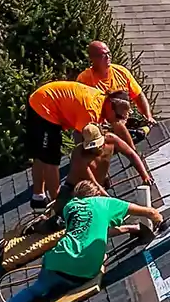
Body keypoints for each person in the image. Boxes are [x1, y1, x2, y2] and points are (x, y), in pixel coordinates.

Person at [0, 173, 162, 302]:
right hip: (87, 269)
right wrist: (159, 222)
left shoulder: (70, 207)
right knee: (93, 261)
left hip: (59, 259)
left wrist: (130, 228)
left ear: (76, 196)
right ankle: (58, 288)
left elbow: (88, 228)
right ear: (96, 193)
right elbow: (149, 213)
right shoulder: (106, 203)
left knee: (34, 289)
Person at [23, 79, 151, 208]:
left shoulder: (105, 102)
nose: (119, 121)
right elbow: (83, 152)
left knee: (41, 154)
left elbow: (120, 134)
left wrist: (141, 168)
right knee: (51, 158)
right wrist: (99, 181)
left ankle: (38, 198)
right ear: (111, 108)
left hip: (42, 100)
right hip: (44, 105)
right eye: (119, 117)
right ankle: (57, 202)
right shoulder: (90, 113)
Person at [76, 40, 153, 140]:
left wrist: (148, 116)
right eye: (103, 55)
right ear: (93, 58)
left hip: (124, 123)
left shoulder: (121, 72)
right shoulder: (84, 79)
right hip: (102, 129)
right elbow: (83, 110)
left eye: (108, 53)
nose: (108, 57)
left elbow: (138, 95)